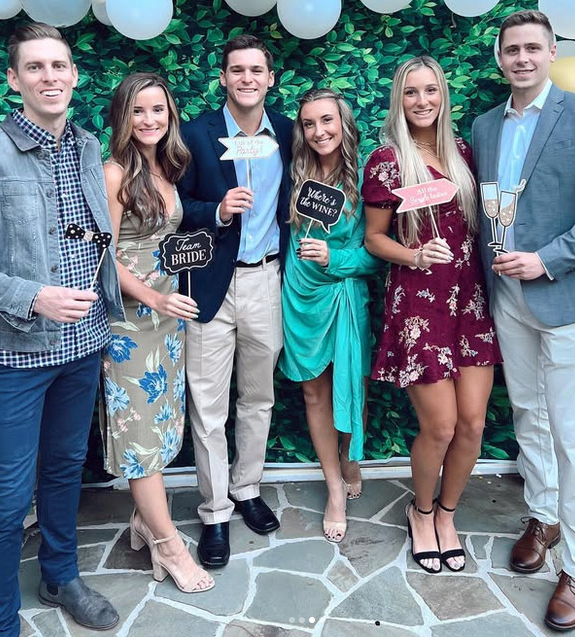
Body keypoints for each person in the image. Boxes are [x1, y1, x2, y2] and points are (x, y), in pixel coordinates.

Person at [0, 23, 124, 635]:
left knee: (63, 472)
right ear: (13, 79)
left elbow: (86, 236)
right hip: (14, 357)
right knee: (6, 497)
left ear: (74, 75)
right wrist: (34, 297)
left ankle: (61, 576)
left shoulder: (87, 146)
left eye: (59, 65)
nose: (49, 77)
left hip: (82, 349)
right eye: (35, 67)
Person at [472, 10, 575, 631]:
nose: (522, 59)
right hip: (507, 295)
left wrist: (546, 259)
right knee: (528, 415)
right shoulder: (486, 125)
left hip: (565, 298)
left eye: (532, 48)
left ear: (552, 52)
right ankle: (543, 516)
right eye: (512, 50)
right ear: (499, 57)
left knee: (573, 434)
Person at [362, 56, 501, 575]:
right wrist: (415, 254)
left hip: (469, 301)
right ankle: (420, 513)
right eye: (411, 92)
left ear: (443, 96)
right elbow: (373, 238)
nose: (422, 101)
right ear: (398, 100)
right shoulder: (387, 161)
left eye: (430, 91)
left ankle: (447, 514)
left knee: (472, 424)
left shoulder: (463, 153)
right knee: (440, 427)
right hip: (419, 304)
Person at [178, 33, 293, 568]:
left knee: (258, 397)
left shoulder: (287, 132)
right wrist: (218, 211)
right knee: (207, 405)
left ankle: (246, 488)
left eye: (256, 70)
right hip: (209, 285)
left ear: (270, 79)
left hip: (266, 279)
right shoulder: (195, 133)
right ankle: (215, 511)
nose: (247, 78)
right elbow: (175, 202)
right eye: (237, 70)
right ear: (223, 78)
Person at [101, 73, 214, 594]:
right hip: (131, 324)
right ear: (122, 116)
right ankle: (169, 546)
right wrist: (153, 297)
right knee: (140, 435)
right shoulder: (114, 173)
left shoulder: (166, 168)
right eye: (138, 111)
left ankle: (144, 522)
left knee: (162, 424)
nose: (149, 120)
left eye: (158, 110)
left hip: (168, 320)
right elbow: (101, 255)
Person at [280, 89, 380, 543]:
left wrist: (334, 257)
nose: (318, 131)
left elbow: (376, 254)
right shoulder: (294, 173)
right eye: (308, 123)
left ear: (343, 123)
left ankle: (350, 456)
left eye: (327, 120)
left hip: (343, 293)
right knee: (314, 393)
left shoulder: (366, 175)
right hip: (300, 297)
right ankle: (334, 486)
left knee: (353, 385)